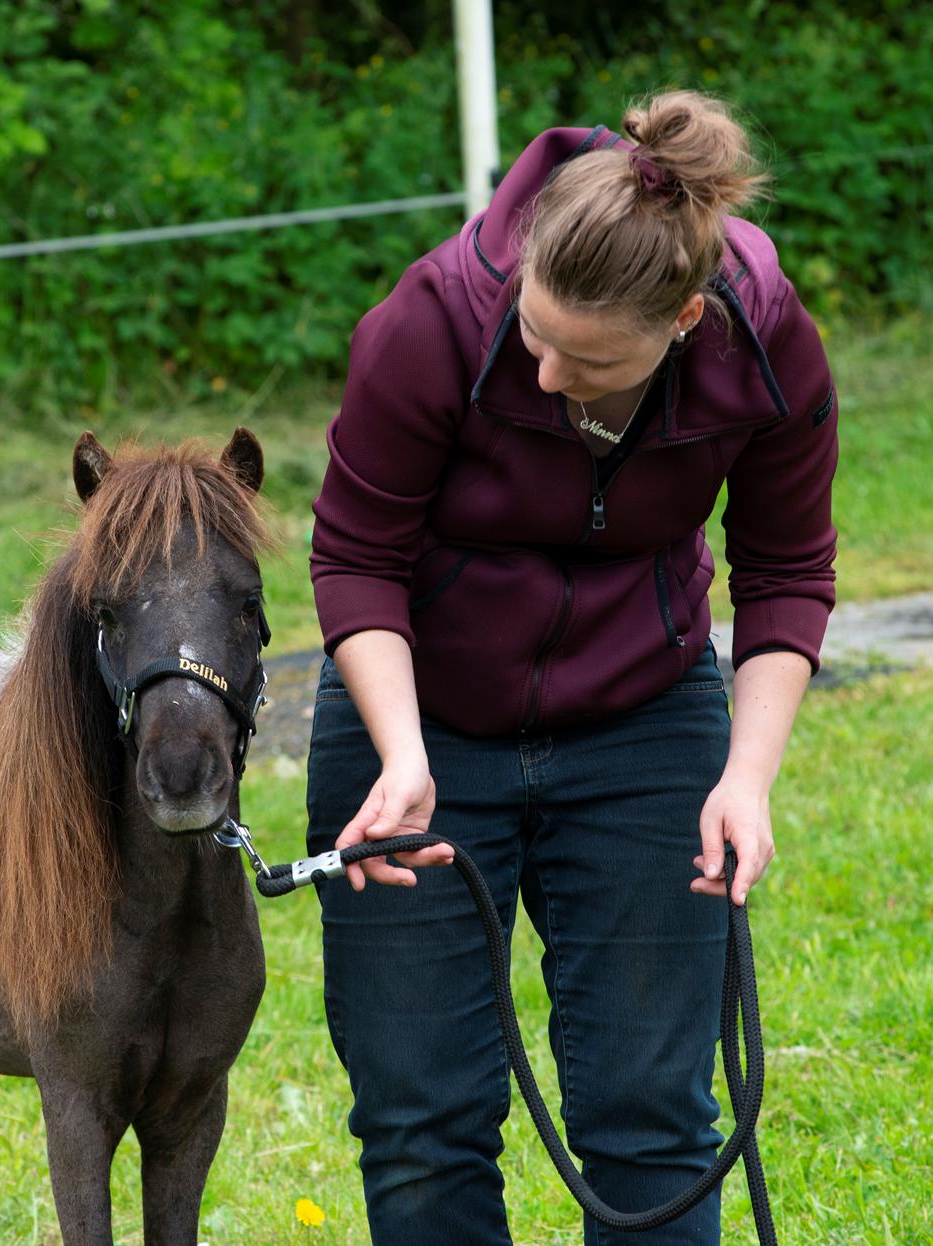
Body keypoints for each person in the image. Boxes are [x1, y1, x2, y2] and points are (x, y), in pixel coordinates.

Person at [304, 90, 837, 1246]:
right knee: (419, 1125)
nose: (545, 376)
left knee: (651, 1119)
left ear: (686, 319)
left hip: (645, 718)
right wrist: (399, 753)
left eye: (587, 361)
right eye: (535, 337)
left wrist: (745, 779)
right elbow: (354, 553)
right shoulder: (434, 318)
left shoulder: (767, 341)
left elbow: (788, 566)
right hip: (422, 717)